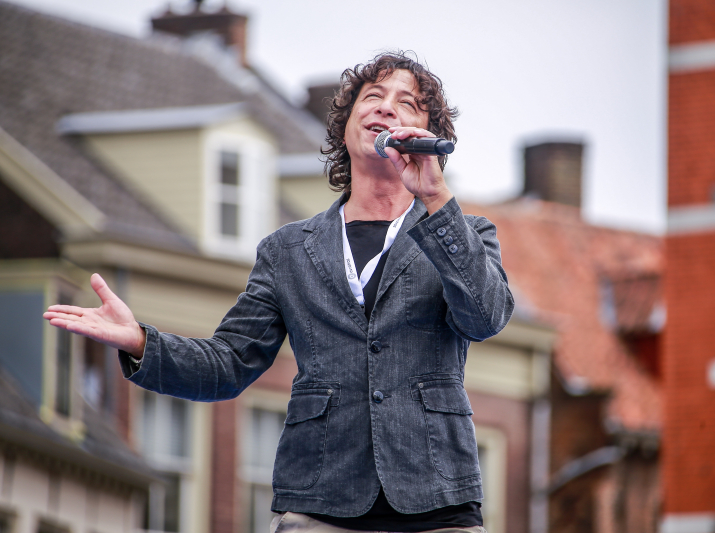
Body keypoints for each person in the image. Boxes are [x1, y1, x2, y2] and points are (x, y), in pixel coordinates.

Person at [44, 51, 514, 533]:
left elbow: (486, 316)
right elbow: (228, 363)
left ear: (429, 137)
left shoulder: (465, 234)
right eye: (372, 97)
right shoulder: (287, 250)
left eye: (406, 103)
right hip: (320, 503)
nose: (385, 106)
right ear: (345, 129)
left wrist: (434, 197)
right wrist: (142, 342)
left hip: (438, 505)